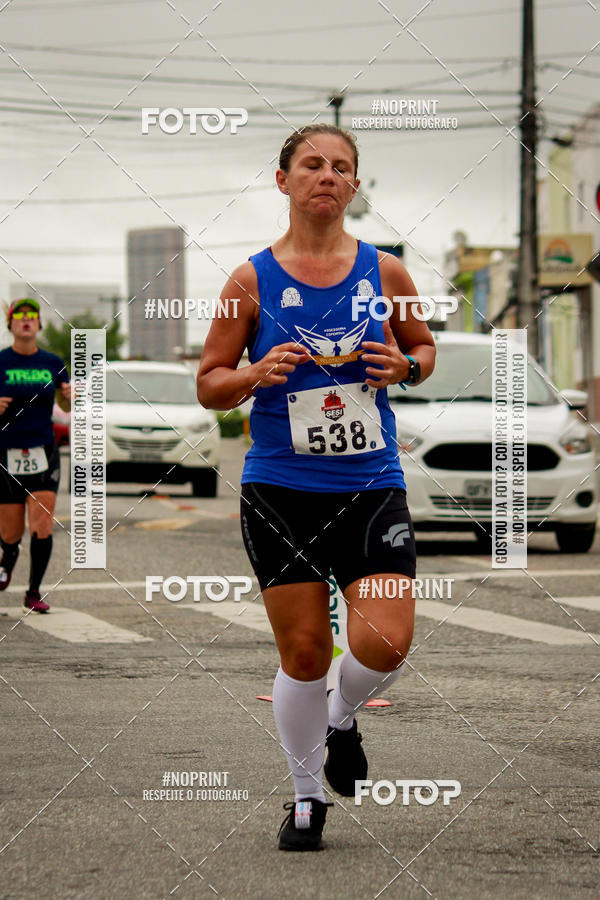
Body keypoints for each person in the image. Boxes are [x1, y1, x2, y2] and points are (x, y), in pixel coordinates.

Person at [197, 124, 436, 851]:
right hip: (282, 490)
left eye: (341, 166)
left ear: (354, 184)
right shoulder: (249, 281)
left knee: (387, 643)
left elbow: (423, 348)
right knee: (304, 654)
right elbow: (209, 383)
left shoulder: (386, 272)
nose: (326, 175)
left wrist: (406, 368)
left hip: (370, 484)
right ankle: (306, 800)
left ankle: (339, 716)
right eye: (311, 165)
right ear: (284, 181)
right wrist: (252, 374)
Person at [0, 298, 71, 612]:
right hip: (6, 453)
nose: (26, 319)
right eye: (20, 315)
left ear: (39, 324)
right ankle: (8, 556)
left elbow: (66, 405)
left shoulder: (52, 362)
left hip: (43, 451)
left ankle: (33, 592)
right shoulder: (1, 361)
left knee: (41, 523)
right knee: (10, 533)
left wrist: (69, 397)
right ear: (11, 324)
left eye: (32, 315)